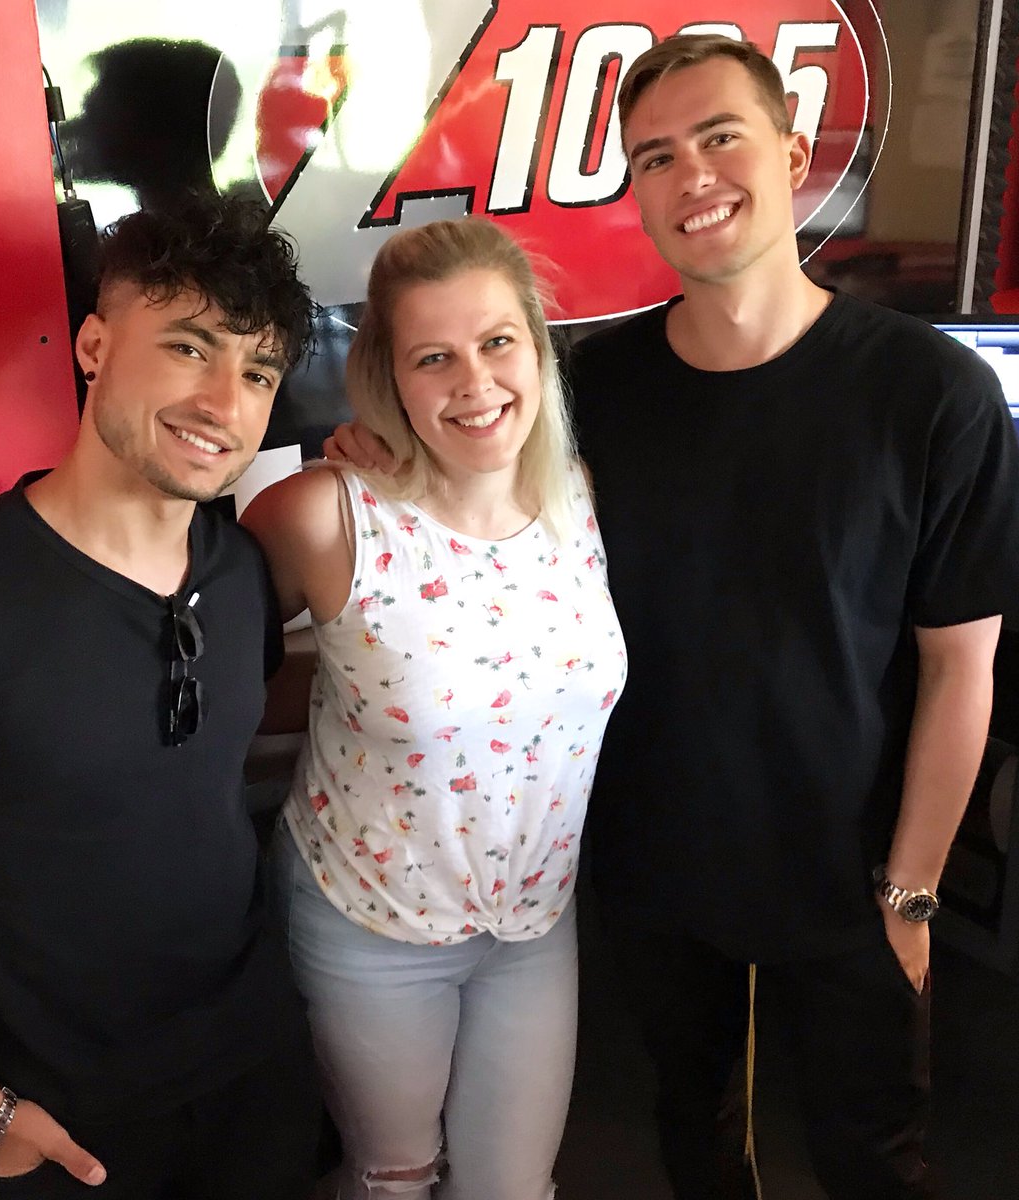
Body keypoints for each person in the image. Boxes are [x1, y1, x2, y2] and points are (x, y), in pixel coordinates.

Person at [325, 33, 1019, 1200]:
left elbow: (964, 669)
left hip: (852, 878)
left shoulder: (929, 393)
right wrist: (380, 455)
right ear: (638, 191)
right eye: (656, 156)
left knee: (872, 1157)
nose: (691, 175)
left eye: (720, 137)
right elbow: (474, 483)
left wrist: (913, 891)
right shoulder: (592, 392)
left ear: (794, 155)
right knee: (698, 1141)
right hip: (655, 870)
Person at [0, 194, 321, 1199]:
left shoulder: (240, 569)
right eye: (188, 348)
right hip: (61, 1114)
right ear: (95, 346)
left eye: (258, 371)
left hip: (254, 1065)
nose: (224, 402)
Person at [241, 217, 626, 1200]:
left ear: (537, 348)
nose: (475, 382)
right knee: (394, 1180)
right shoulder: (327, 514)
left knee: (512, 1189)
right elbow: (208, 673)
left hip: (533, 921)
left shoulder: (577, 496)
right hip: (369, 920)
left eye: (498, 342)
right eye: (433, 358)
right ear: (389, 376)